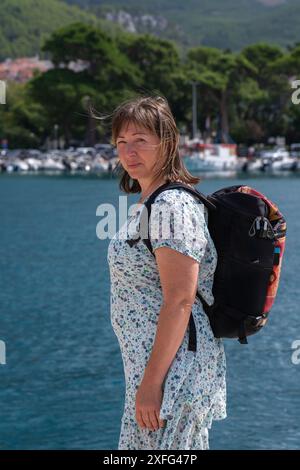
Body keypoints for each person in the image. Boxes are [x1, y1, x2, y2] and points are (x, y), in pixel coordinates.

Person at [107, 95, 226, 450]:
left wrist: (152, 384)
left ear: (168, 143)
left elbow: (179, 299)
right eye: (121, 143)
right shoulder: (149, 202)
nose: (129, 152)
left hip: (174, 374)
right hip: (152, 371)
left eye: (140, 141)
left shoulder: (172, 205)